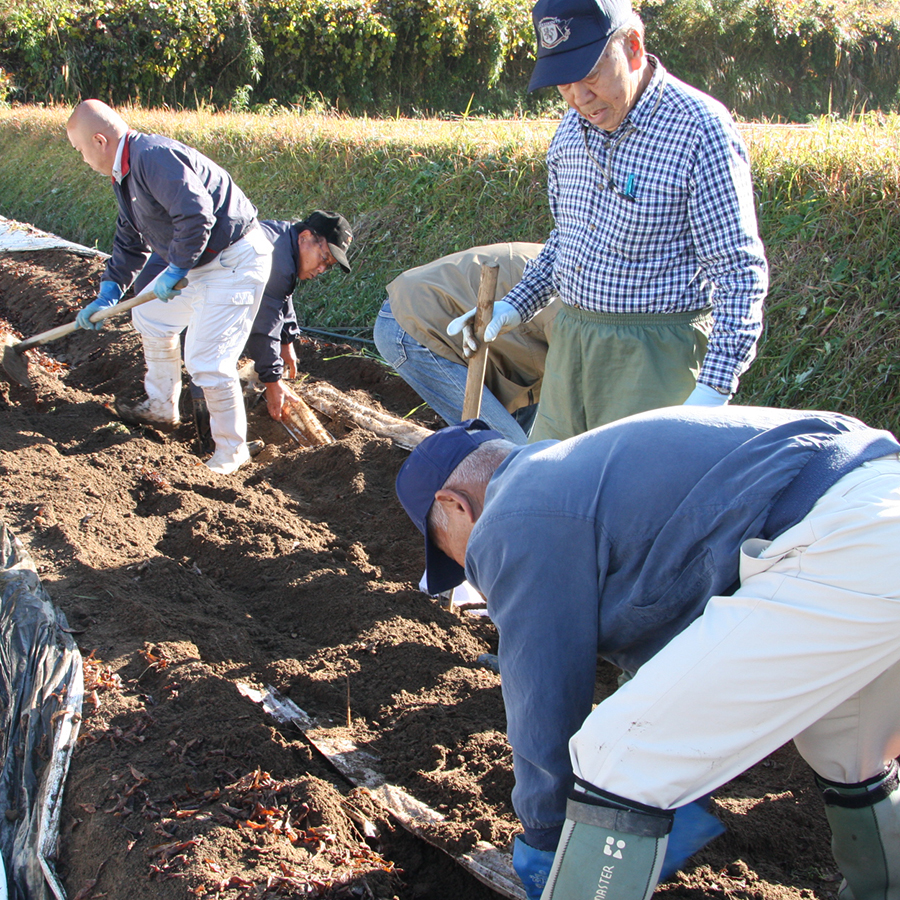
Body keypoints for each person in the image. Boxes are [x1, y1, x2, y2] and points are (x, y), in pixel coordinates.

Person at [395, 411, 900, 900]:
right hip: (877, 505)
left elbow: (543, 698)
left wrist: (549, 840)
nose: (469, 569)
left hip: (843, 538)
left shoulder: (513, 515)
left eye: (450, 552)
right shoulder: (577, 476)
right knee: (852, 749)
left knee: (617, 759)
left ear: (456, 505)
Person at [453, 0, 768, 441]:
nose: (579, 99)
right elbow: (568, 239)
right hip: (572, 347)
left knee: (636, 499)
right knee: (548, 483)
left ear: (633, 48)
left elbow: (738, 272)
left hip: (654, 358)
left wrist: (714, 387)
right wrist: (513, 305)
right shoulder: (568, 134)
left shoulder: (699, 129)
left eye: (590, 77)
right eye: (564, 84)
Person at [66, 99, 274, 475]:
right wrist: (109, 289)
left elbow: (196, 215)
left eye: (80, 150)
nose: (82, 159)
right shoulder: (126, 175)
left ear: (99, 140)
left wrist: (176, 267)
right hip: (204, 262)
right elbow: (130, 240)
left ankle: (232, 449)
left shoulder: (153, 157)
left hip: (234, 260)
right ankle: (162, 406)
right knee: (150, 314)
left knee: (206, 358)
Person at [133, 211, 353, 452]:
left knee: (207, 346)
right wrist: (273, 381)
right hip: (168, 282)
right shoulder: (273, 254)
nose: (321, 268)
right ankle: (214, 443)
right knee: (211, 352)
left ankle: (167, 408)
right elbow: (263, 324)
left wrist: (287, 341)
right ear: (306, 237)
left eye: (328, 266)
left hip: (177, 277)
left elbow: (281, 293)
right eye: (323, 258)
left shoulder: (280, 239)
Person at [374, 243, 559, 444]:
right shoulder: (577, 302)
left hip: (503, 350)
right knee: (510, 450)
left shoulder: (586, 285)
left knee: (521, 451)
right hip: (416, 323)